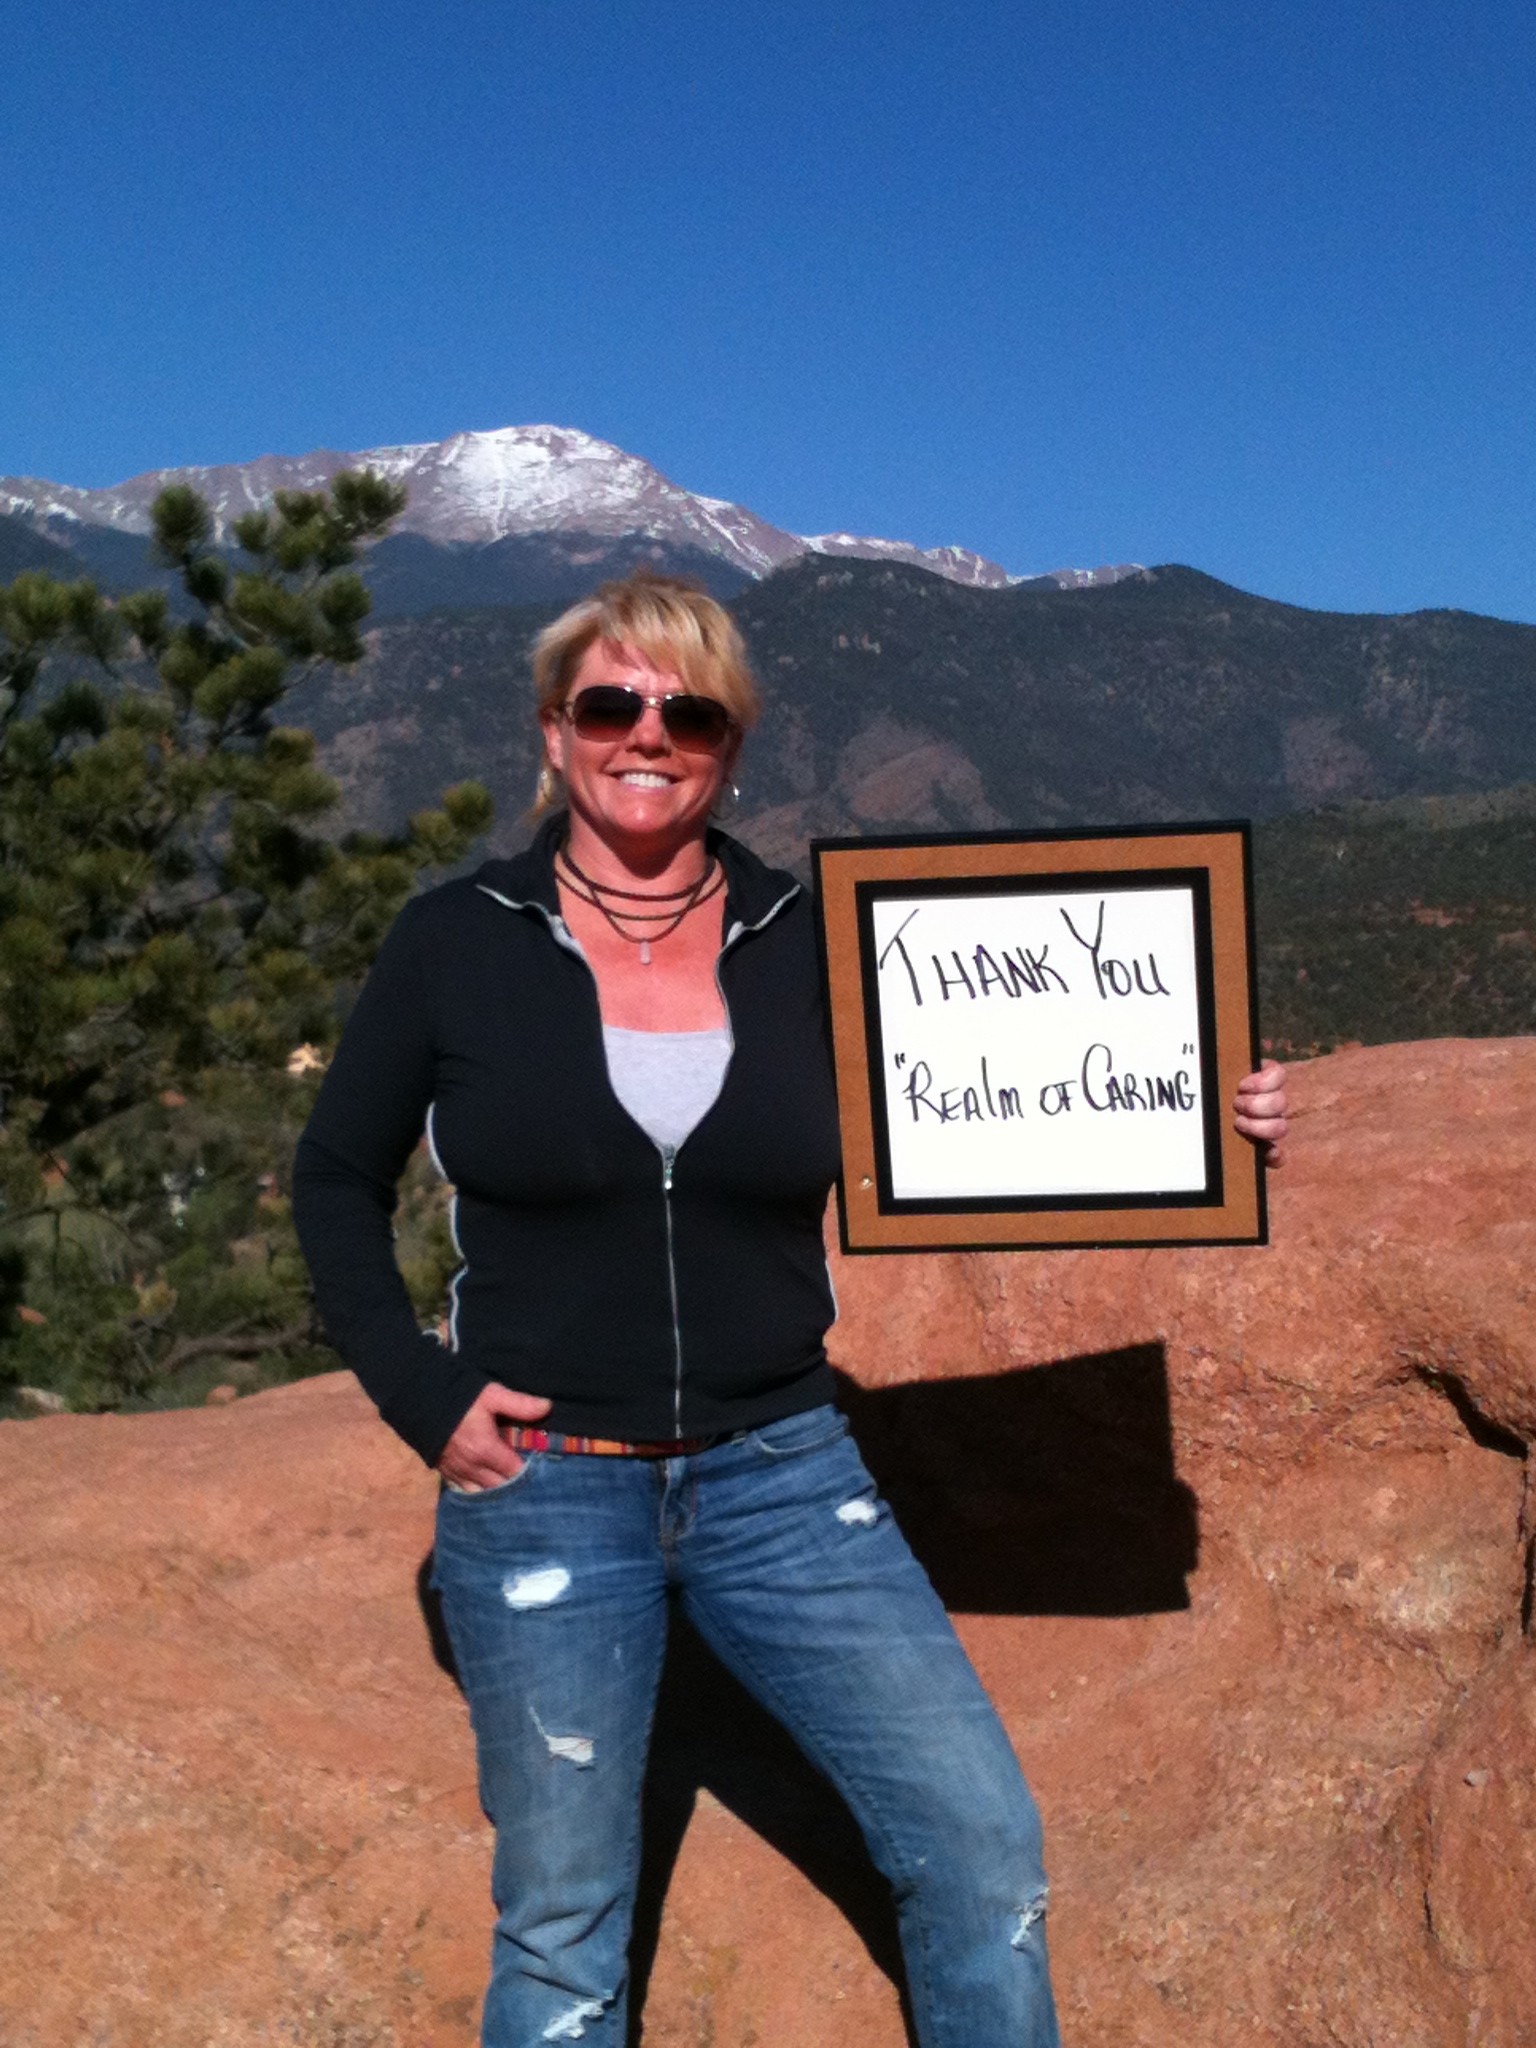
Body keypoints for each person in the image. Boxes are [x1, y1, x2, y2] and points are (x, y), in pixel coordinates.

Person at [293, 571, 1289, 2047]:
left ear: (732, 747)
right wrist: (421, 1396)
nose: (649, 735)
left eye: (690, 713)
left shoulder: (819, 942)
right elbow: (332, 1178)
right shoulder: (457, 939)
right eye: (610, 705)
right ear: (554, 733)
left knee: (983, 1852)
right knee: (563, 1930)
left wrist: (1206, 1104)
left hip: (784, 1476)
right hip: (545, 1486)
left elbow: (1026, 1078)